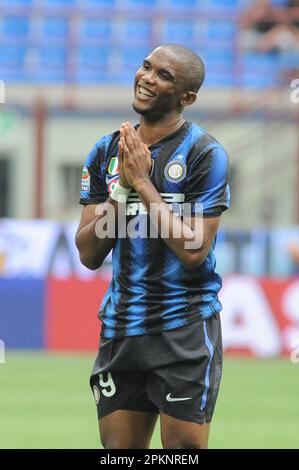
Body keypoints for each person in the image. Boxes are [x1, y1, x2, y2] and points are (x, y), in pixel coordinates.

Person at [75, 44, 230, 449]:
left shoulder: (204, 154)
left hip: (183, 329)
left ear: (186, 97)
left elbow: (193, 250)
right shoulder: (107, 152)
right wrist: (123, 188)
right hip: (121, 328)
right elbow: (89, 254)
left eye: (164, 75)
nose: (147, 77)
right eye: (146, 67)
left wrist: (143, 183)